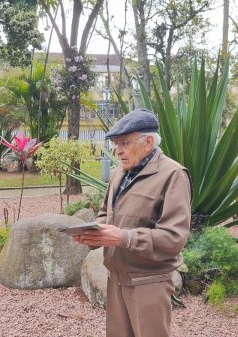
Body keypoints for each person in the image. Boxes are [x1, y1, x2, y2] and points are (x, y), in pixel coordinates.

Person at [74, 108, 192, 337]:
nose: (117, 151)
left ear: (148, 142)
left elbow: (173, 238)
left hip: (149, 282)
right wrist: (92, 234)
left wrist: (123, 237)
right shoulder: (120, 172)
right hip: (116, 279)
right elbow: (104, 215)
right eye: (116, 144)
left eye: (124, 143)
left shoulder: (173, 175)